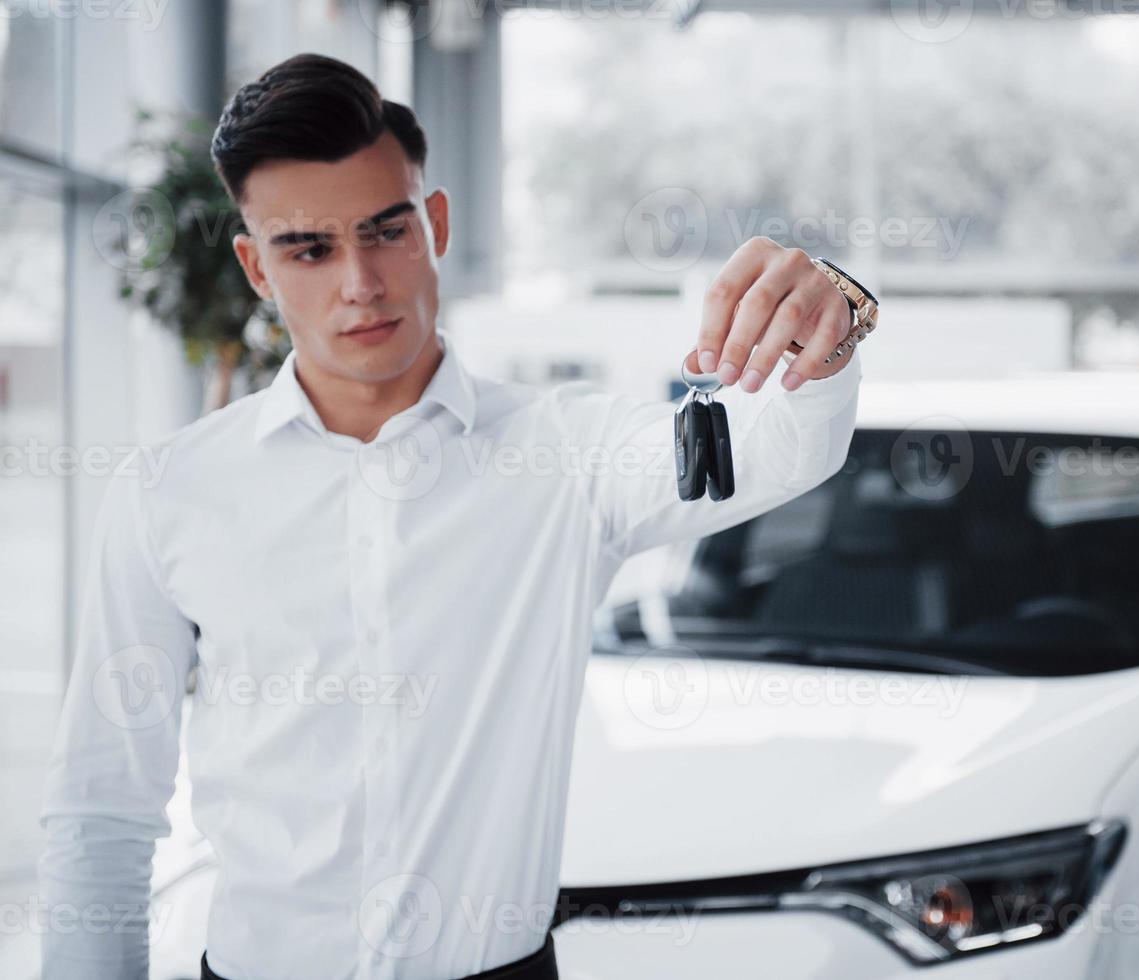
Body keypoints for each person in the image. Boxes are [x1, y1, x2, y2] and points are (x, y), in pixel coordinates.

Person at [37, 52, 868, 980]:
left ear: (433, 224)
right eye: (308, 248)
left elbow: (785, 447)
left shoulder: (568, 456)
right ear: (256, 267)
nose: (359, 281)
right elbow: (102, 807)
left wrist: (826, 326)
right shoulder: (170, 492)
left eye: (384, 231)